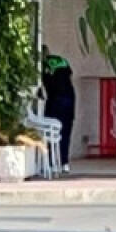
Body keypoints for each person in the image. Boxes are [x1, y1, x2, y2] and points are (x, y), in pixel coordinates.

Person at [41, 45, 76, 173]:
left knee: (50, 132)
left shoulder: (42, 65)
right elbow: (70, 78)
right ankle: (64, 163)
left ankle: (51, 161)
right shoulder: (62, 60)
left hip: (55, 100)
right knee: (65, 132)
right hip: (69, 98)